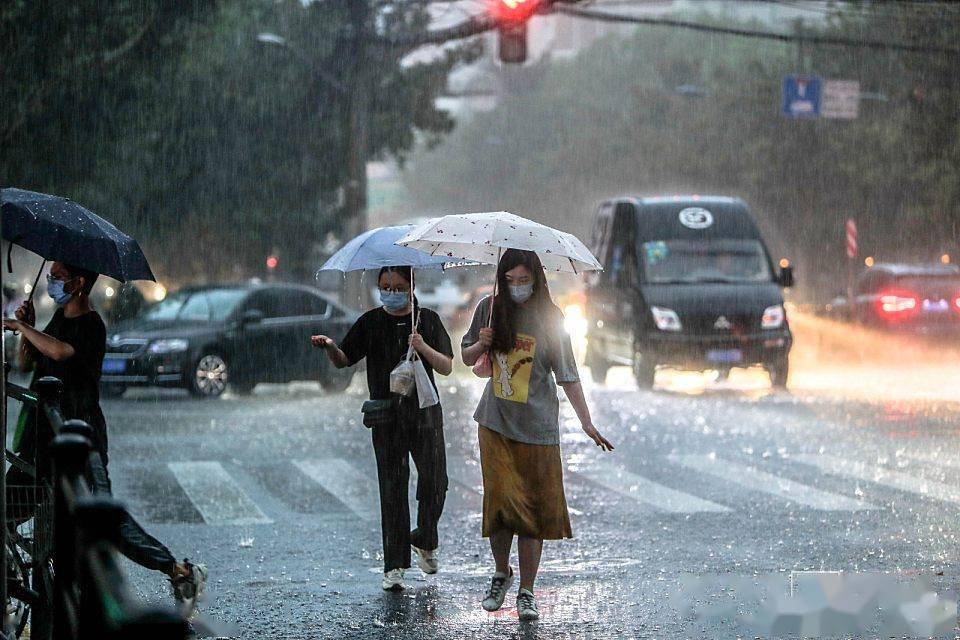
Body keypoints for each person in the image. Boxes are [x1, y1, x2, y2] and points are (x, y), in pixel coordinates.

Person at [2, 262, 207, 614]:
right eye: (50, 276)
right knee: (8, 509)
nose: (52, 282)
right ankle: (23, 585)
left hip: (83, 441)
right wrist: (30, 328)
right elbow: (29, 361)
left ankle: (179, 571)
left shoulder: (92, 325)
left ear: (80, 283)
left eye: (59, 277)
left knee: (106, 521)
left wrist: (22, 326)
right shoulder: (60, 319)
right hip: (42, 439)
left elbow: (61, 352)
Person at [461, 249, 614, 622]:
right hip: (495, 423)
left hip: (538, 427)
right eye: (509, 280)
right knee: (499, 505)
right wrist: (482, 342)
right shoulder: (489, 308)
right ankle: (501, 572)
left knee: (531, 511)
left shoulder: (550, 316)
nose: (516, 287)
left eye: (523, 280)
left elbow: (568, 373)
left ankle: (526, 590)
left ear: (536, 279)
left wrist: (586, 421)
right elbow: (466, 358)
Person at [312, 265, 453, 591]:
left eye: (398, 286)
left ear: (411, 286)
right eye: (385, 286)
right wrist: (331, 346)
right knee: (392, 489)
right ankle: (394, 566)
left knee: (436, 481)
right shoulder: (371, 322)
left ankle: (426, 538)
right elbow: (344, 359)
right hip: (387, 417)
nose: (391, 291)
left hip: (425, 414)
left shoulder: (427, 319)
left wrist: (422, 347)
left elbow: (446, 366)